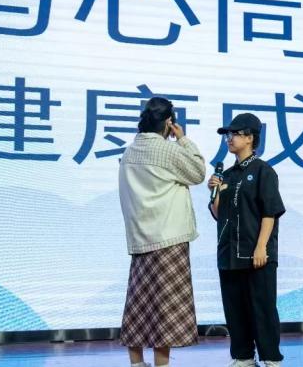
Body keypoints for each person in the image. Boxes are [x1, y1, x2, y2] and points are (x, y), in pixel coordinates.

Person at [118, 96, 207, 367]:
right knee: (166, 308)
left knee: (139, 303)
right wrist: (183, 139)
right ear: (169, 122)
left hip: (140, 238)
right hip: (169, 237)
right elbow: (198, 172)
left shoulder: (129, 152)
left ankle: (136, 363)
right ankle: (161, 365)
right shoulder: (168, 150)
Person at [208, 113, 286, 367]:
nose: (229, 139)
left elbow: (270, 212)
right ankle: (243, 356)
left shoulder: (263, 171)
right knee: (235, 308)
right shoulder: (227, 174)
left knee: (262, 308)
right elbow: (218, 215)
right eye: (228, 135)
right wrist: (215, 193)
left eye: (234, 134)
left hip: (256, 252)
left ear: (250, 138)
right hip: (229, 252)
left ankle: (271, 357)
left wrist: (262, 246)